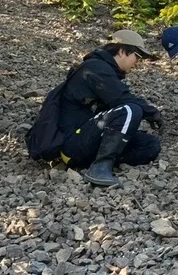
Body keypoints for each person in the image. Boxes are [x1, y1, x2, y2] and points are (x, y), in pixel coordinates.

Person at [57, 30, 163, 187]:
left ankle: (99, 161)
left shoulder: (105, 70)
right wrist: (151, 112)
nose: (137, 62)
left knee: (150, 145)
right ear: (121, 51)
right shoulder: (95, 68)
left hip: (86, 139)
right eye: (137, 56)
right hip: (71, 143)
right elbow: (122, 99)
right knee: (130, 110)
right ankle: (100, 168)